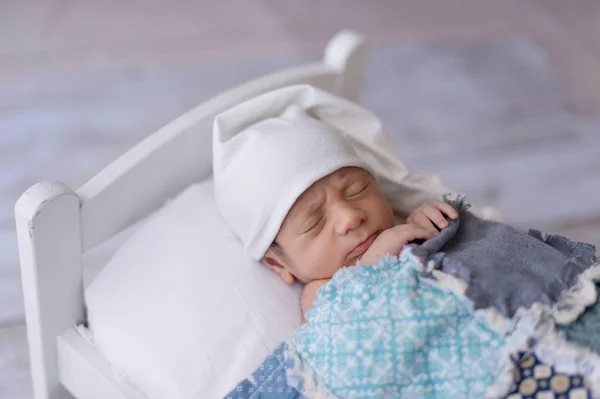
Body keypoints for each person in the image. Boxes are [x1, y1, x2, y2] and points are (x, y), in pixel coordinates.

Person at [213, 85, 460, 321]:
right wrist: (376, 258)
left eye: (357, 190)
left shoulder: (400, 228)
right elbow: (345, 325)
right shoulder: (320, 294)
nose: (350, 217)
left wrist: (425, 222)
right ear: (279, 263)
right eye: (315, 222)